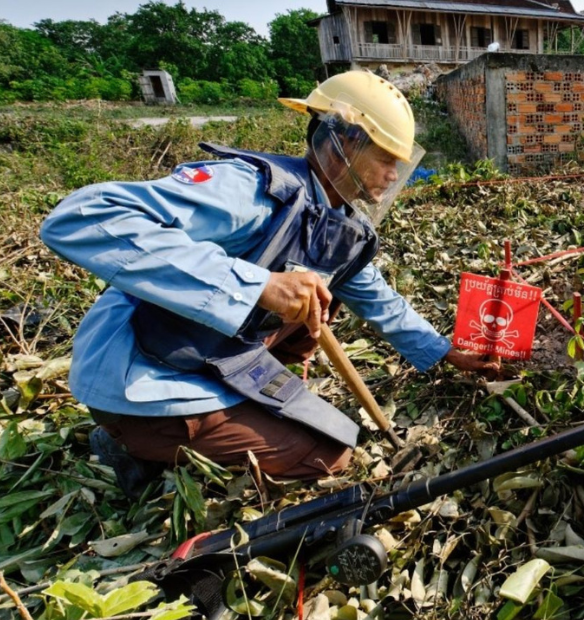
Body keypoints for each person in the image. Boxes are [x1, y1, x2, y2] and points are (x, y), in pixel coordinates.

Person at [40, 71, 497, 498]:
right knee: (330, 455)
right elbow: (80, 218)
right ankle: (130, 445)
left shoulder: (336, 220)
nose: (394, 175)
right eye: (385, 159)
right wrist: (256, 285)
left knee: (321, 296)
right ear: (342, 145)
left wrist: (442, 350)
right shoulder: (249, 192)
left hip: (215, 353)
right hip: (146, 377)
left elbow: (377, 296)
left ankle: (247, 408)